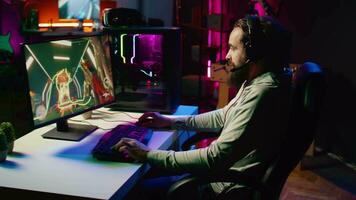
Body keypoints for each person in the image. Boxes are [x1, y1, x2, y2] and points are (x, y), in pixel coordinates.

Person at [113, 15, 292, 199]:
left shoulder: (263, 93)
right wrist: (170, 122)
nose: (227, 56)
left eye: (233, 48)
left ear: (255, 54)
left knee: (132, 192)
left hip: (222, 189)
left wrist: (148, 153)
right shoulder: (257, 82)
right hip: (218, 177)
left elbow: (213, 159)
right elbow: (223, 116)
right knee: (148, 175)